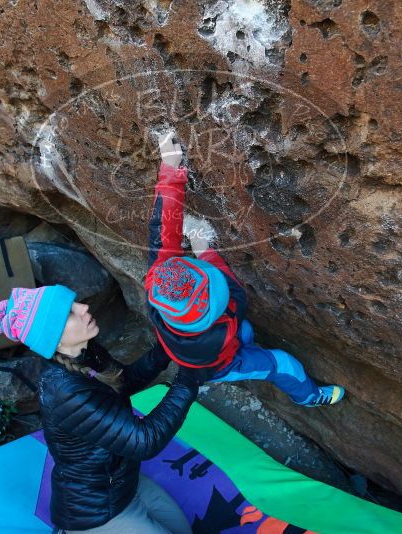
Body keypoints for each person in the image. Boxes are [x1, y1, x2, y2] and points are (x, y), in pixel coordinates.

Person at [0, 285, 213, 533]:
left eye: (75, 303)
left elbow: (123, 381)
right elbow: (144, 440)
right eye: (69, 313)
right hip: (95, 511)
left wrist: (167, 349)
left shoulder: (86, 352)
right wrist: (190, 378)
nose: (84, 308)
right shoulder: (64, 391)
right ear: (54, 337)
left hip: (123, 482)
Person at [145, 132, 346, 407]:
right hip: (221, 365)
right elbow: (229, 286)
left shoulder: (159, 286)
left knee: (247, 332)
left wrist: (170, 168)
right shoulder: (226, 316)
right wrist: (203, 249)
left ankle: (248, 345)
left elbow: (163, 228)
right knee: (281, 364)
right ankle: (310, 397)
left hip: (190, 351)